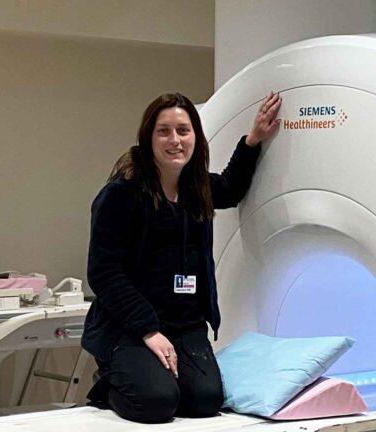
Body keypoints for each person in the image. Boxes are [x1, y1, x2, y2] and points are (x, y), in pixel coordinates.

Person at [82, 92, 281, 423]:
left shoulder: (196, 188)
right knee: (157, 403)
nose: (174, 140)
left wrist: (253, 139)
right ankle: (107, 383)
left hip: (184, 323)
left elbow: (230, 189)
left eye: (183, 130)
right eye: (164, 131)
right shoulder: (121, 195)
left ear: (195, 137)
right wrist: (148, 331)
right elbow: (104, 273)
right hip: (129, 327)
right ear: (148, 138)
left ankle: (157, 375)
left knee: (204, 401)